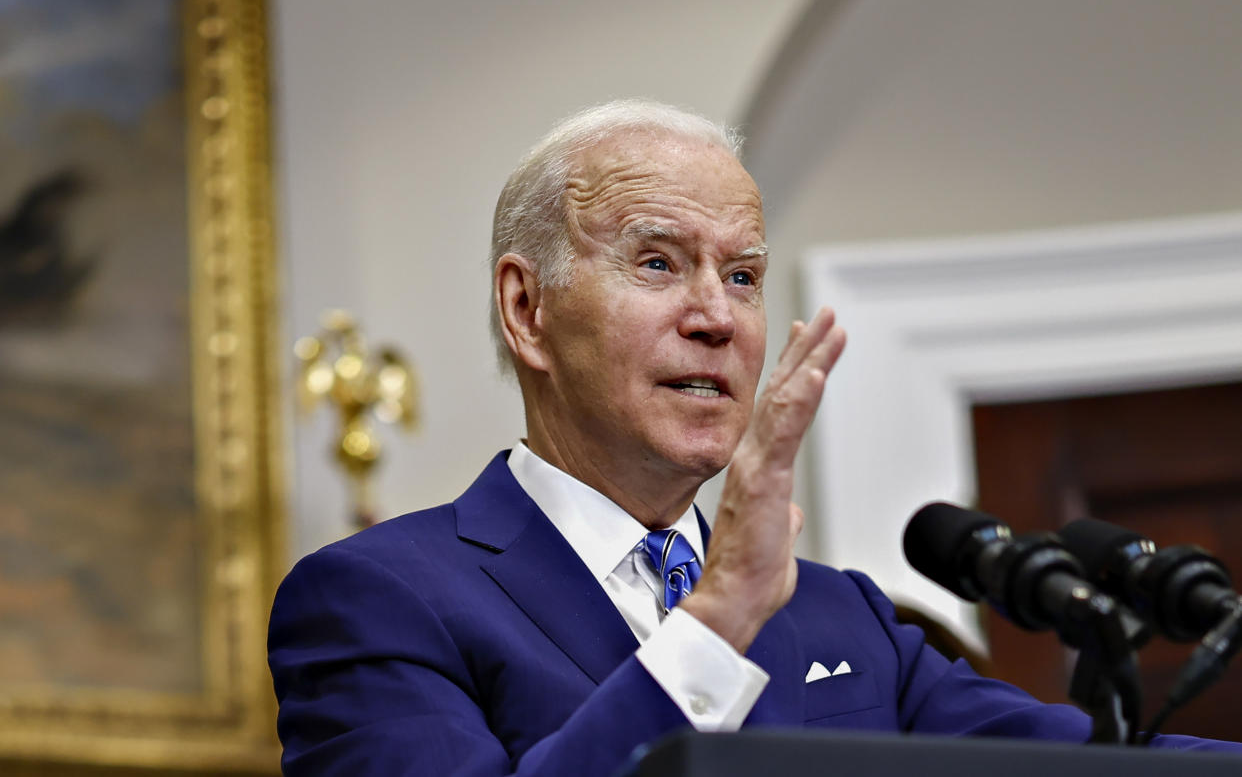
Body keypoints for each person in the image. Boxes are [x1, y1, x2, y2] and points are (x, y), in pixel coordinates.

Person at [267, 100, 1240, 775]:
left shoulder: (848, 622)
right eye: (658, 262)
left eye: (741, 276)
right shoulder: (380, 602)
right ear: (527, 310)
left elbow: (1090, 769)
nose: (717, 317)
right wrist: (719, 616)